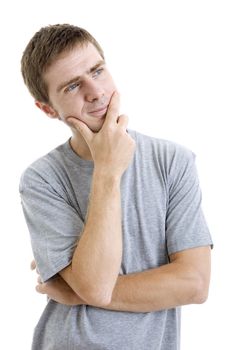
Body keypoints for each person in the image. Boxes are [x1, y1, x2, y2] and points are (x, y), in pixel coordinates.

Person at [19, 23, 213, 350]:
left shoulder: (173, 161)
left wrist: (74, 291)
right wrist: (108, 170)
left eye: (97, 71)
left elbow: (194, 284)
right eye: (71, 87)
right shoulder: (41, 179)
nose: (94, 91)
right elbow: (94, 286)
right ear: (47, 108)